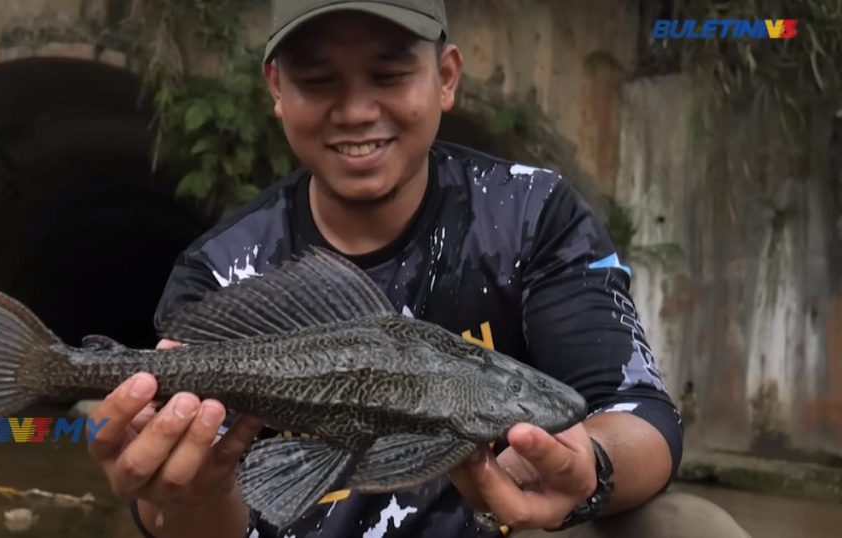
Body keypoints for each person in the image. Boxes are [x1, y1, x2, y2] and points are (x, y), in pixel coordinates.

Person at [87, 1, 750, 536]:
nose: (355, 111)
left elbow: (638, 411)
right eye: (319, 81)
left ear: (447, 77)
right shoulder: (222, 267)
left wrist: (590, 469)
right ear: (277, 91)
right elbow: (173, 518)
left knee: (687, 525)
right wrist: (192, 493)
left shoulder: (529, 212)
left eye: (389, 75)